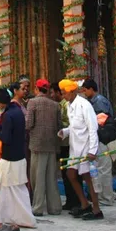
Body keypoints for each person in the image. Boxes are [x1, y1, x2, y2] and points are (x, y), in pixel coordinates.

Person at [0, 88, 36, 231]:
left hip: (9, 157)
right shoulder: (17, 111)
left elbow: (6, 137)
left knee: (5, 187)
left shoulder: (7, 115)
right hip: (19, 155)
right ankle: (22, 218)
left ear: (0, 103)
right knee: (18, 189)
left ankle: (6, 219)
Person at [58, 79, 103, 220]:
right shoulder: (69, 105)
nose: (63, 96)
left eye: (65, 93)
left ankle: (96, 210)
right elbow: (75, 127)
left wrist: (92, 150)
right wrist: (65, 132)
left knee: (88, 178)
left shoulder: (85, 105)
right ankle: (84, 204)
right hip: (74, 148)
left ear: (73, 92)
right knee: (71, 175)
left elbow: (92, 128)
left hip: (85, 148)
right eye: (62, 93)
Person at [26, 79, 62, 217]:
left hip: (37, 144)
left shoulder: (32, 102)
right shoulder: (55, 105)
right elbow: (59, 126)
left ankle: (38, 207)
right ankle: (54, 207)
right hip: (52, 144)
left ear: (36, 88)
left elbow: (28, 124)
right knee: (51, 177)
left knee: (38, 177)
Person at [81, 78, 116, 206]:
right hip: (100, 138)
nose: (84, 92)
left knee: (104, 169)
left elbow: (102, 121)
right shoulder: (92, 101)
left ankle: (106, 198)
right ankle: (103, 196)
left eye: (85, 90)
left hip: (104, 139)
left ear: (91, 89)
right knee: (100, 169)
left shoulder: (100, 102)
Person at [50, 82, 81, 211]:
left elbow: (70, 124)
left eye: (53, 92)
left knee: (71, 174)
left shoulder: (65, 105)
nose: (52, 95)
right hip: (66, 143)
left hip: (68, 144)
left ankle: (76, 201)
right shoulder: (65, 105)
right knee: (67, 174)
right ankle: (72, 201)